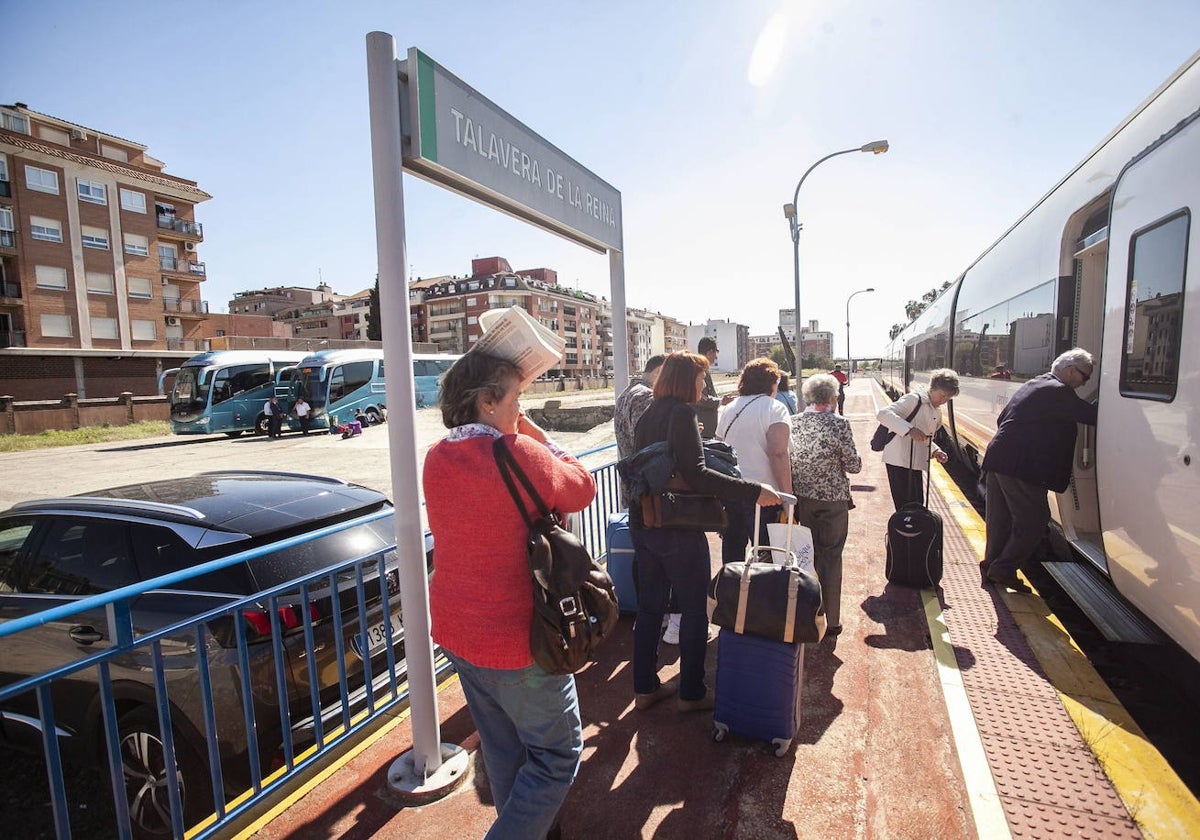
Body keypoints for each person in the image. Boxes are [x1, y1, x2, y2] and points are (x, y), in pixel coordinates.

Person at [423, 350, 596, 839]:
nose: (521, 410)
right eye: (516, 399)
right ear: (486, 401)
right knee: (559, 755)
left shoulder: (437, 457)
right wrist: (538, 436)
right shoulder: (520, 451)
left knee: (501, 749)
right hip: (517, 640)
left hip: (459, 632)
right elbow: (580, 488)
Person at [629, 351, 782, 712]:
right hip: (678, 526)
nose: (703, 385)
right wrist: (752, 490)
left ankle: (645, 688)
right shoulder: (682, 413)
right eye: (700, 379)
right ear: (686, 381)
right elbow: (697, 474)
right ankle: (692, 693)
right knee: (695, 608)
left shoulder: (649, 413)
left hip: (644, 521)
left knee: (650, 608)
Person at [980, 348, 1097, 593]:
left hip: (1000, 457)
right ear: (1070, 370)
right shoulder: (1059, 391)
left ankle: (991, 566)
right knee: (1034, 520)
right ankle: (1003, 569)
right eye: (1085, 377)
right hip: (1022, 466)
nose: (1085, 383)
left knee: (999, 519)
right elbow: (1091, 415)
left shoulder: (1036, 383)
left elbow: (1002, 418)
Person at [789, 374, 862, 636]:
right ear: (832, 397)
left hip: (803, 499)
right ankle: (831, 621)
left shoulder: (794, 422)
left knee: (806, 556)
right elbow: (854, 465)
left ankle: (806, 613)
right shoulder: (839, 423)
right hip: (832, 501)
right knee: (831, 557)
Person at [714, 357, 793, 566]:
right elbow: (778, 453)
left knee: (732, 552)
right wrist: (787, 498)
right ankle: (762, 597)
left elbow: (719, 449)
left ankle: (731, 595)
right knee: (766, 554)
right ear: (772, 383)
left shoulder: (728, 409)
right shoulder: (775, 408)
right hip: (765, 495)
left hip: (732, 491)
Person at [875, 369, 960, 509]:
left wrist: (934, 450)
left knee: (916, 504)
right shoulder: (914, 399)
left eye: (948, 398)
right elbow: (883, 414)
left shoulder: (934, 409)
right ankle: (901, 530)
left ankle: (910, 529)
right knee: (905, 505)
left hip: (915, 461)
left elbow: (925, 436)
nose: (943, 401)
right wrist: (909, 429)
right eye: (942, 396)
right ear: (933, 389)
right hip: (899, 460)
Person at [615, 354, 666, 502]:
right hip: (645, 489)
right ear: (659, 372)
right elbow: (647, 445)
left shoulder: (625, 393)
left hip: (633, 485)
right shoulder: (645, 396)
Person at [695, 336, 722, 439]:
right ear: (710, 352)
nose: (715, 357)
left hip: (707, 428)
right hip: (703, 428)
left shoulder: (703, 368)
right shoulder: (698, 369)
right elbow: (700, 397)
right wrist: (721, 401)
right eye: (715, 353)